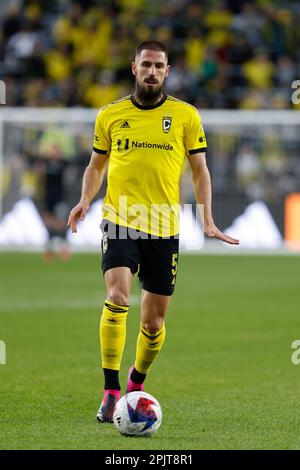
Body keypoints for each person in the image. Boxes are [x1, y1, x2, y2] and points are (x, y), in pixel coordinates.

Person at [67, 40, 239, 423]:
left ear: (167, 71)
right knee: (117, 295)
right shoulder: (110, 115)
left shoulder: (185, 116)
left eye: (159, 66)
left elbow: (200, 172)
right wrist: (84, 199)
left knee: (153, 322)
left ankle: (136, 381)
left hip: (164, 227)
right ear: (134, 67)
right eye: (146, 64)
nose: (152, 71)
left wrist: (207, 219)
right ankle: (111, 389)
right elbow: (96, 166)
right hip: (120, 219)